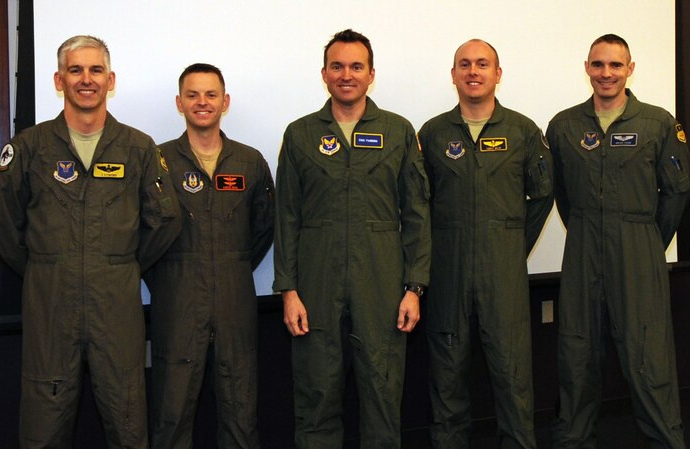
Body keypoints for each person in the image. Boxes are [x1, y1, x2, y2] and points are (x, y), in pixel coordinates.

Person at [0, 35, 181, 448]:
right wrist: (46, 266)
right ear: (59, 80)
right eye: (76, 70)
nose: (86, 79)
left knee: (128, 424)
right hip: (49, 304)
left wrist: (120, 263)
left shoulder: (138, 148)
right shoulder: (29, 148)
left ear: (111, 80)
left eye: (95, 71)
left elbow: (164, 221)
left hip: (117, 305)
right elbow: (1, 225)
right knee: (43, 425)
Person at [273, 29, 431, 449]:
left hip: (380, 283)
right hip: (315, 286)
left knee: (381, 395)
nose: (347, 75)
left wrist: (415, 287)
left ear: (371, 74)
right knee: (316, 394)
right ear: (324, 74)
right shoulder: (300, 134)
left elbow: (416, 214)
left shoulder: (398, 131)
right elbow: (286, 216)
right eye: (337, 66)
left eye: (356, 66)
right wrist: (288, 289)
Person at [547, 34, 690, 448]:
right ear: (587, 68)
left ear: (630, 69)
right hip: (583, 249)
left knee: (649, 358)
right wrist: (589, 231)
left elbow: (677, 193)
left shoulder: (658, 122)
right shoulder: (563, 125)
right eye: (598, 65)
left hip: (638, 247)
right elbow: (562, 194)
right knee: (576, 356)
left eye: (615, 65)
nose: (606, 73)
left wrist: (644, 239)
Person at [417, 39, 553, 449]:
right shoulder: (433, 132)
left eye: (482, 64)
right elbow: (418, 203)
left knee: (513, 380)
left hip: (503, 275)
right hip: (447, 273)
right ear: (453, 74)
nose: (473, 71)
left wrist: (512, 242)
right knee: (446, 381)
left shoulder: (522, 131)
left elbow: (542, 194)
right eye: (464, 64)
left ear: (497, 73)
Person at [145, 63, 274, 449]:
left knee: (240, 414)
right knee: (171, 414)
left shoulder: (250, 162)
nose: (203, 102)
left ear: (225, 102)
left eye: (211, 94)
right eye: (193, 95)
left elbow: (263, 229)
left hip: (235, 303)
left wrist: (229, 266)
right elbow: (144, 235)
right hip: (177, 306)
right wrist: (174, 275)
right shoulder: (157, 161)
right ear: (179, 103)